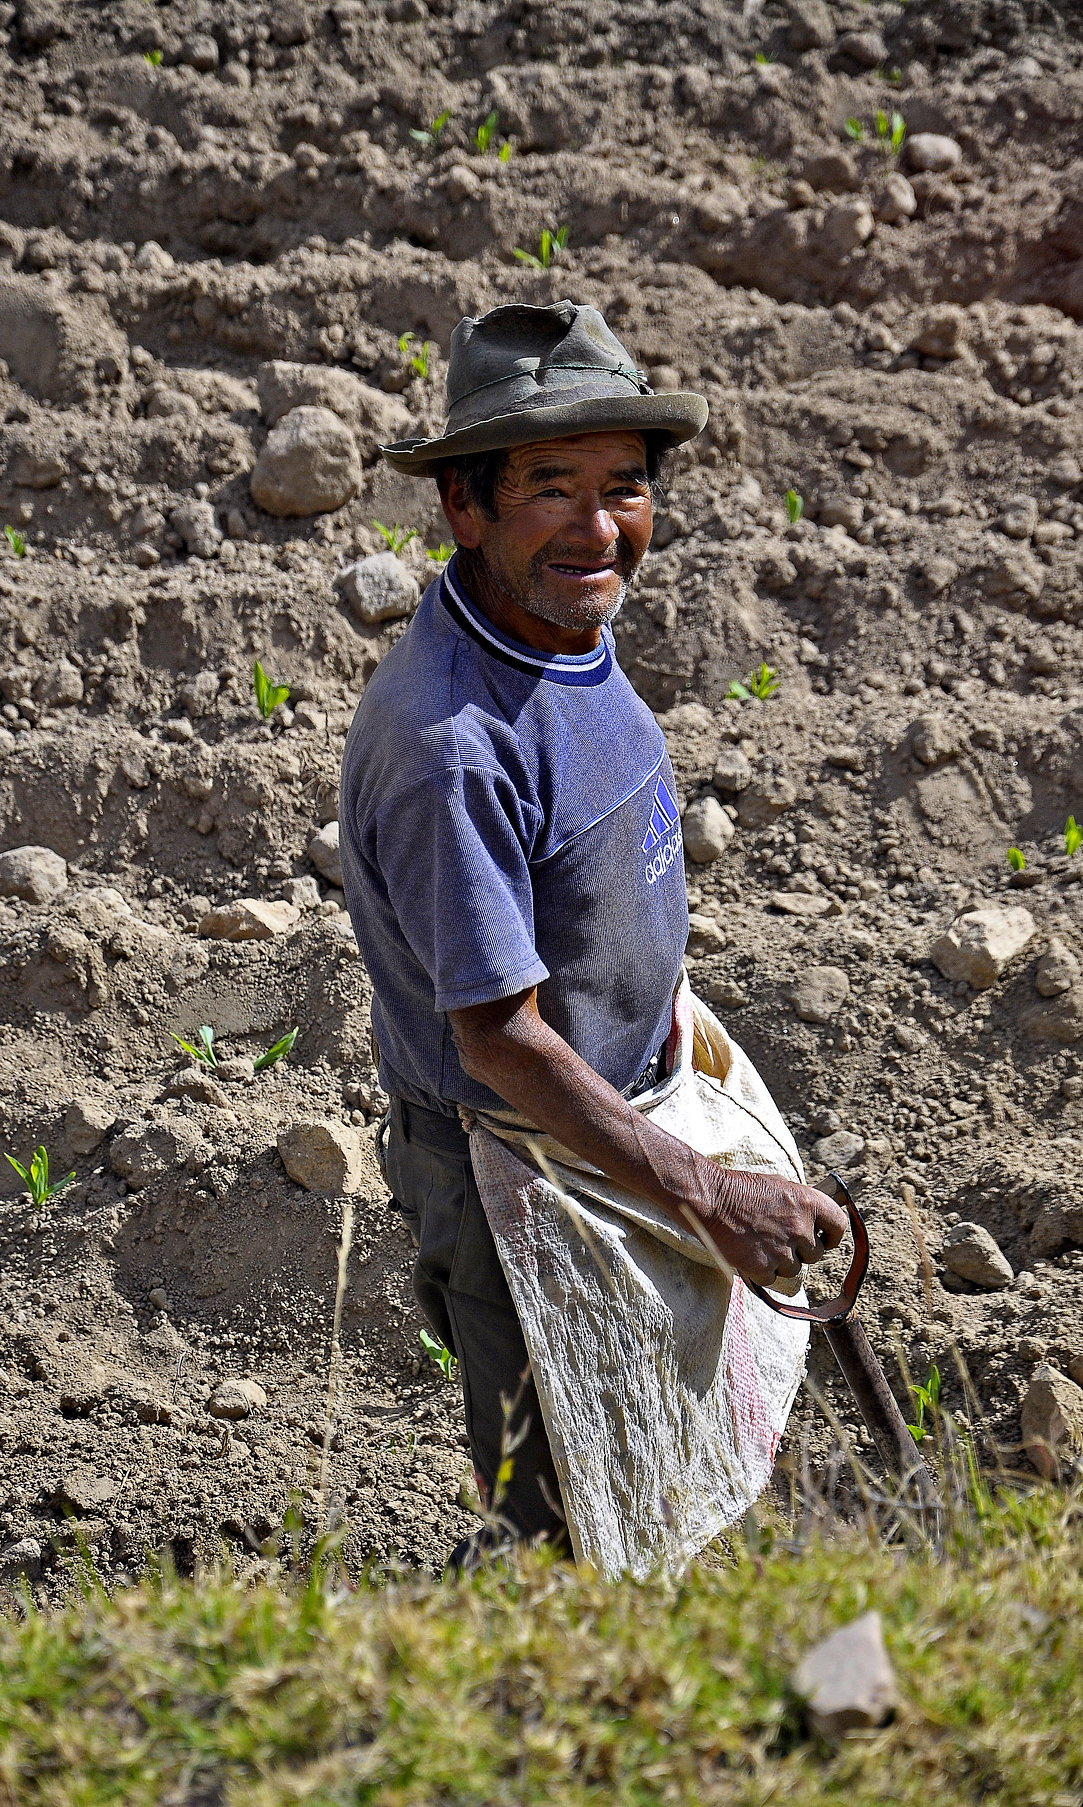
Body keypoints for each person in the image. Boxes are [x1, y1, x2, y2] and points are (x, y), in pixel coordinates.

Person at [339, 300, 847, 1560]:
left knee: (656, 1479)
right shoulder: (452, 746)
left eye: (623, 485)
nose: (598, 525)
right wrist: (709, 1192)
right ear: (463, 507)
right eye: (551, 486)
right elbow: (501, 1039)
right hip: (519, 1163)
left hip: (623, 1110)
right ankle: (514, 1729)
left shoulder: (562, 628)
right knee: (562, 1517)